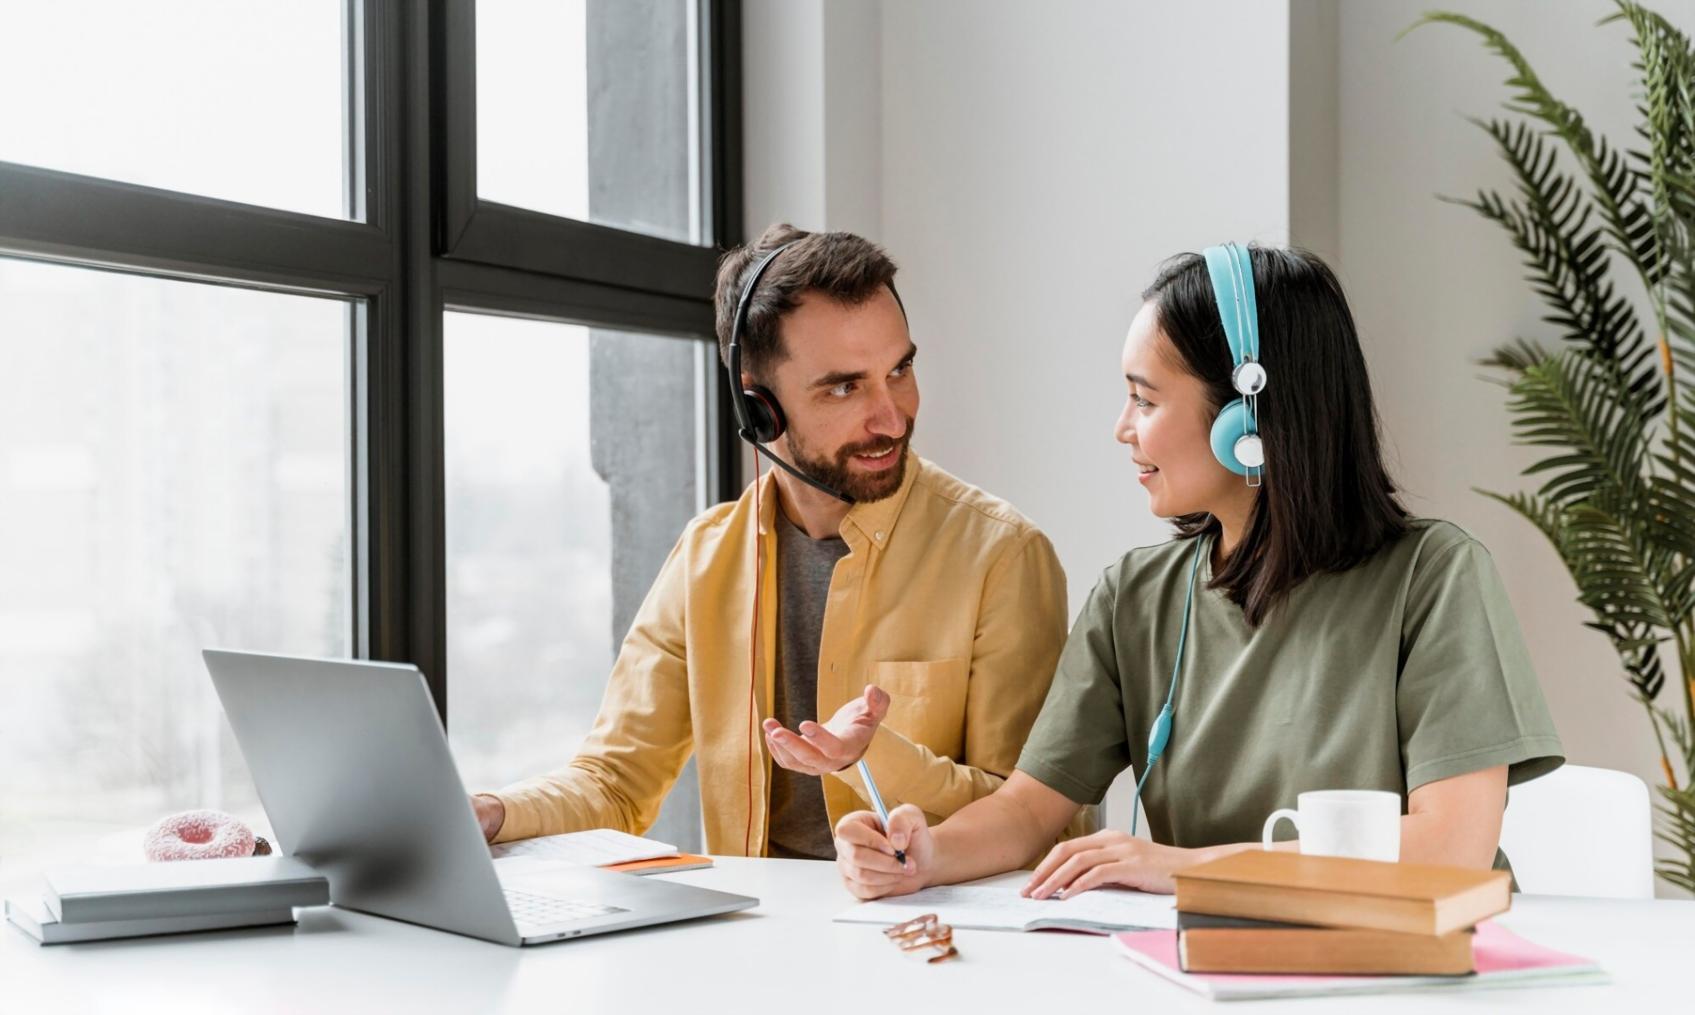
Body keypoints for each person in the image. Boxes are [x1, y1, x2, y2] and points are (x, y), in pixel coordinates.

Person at [833, 242, 1564, 899]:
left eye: (1144, 399)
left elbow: (1449, 852)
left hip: (1427, 974)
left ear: (1246, 417)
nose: (1120, 428)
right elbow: (1029, 809)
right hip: (1209, 967)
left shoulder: (1433, 578)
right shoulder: (1133, 597)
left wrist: (1179, 865)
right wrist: (924, 854)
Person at [471, 224, 1078, 859]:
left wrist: (875, 759)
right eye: (845, 387)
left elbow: (1032, 817)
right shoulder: (706, 559)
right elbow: (617, 783)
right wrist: (491, 813)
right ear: (758, 404)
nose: (893, 416)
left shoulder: (1001, 556)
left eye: (899, 370)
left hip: (927, 939)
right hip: (756, 940)